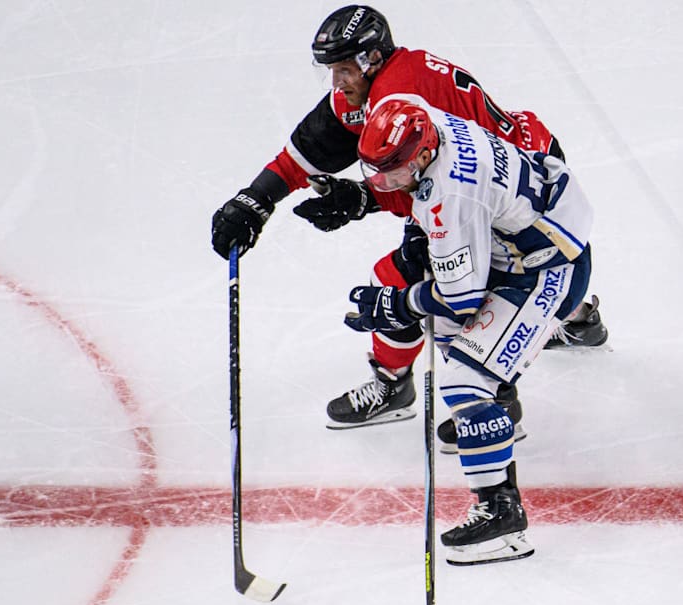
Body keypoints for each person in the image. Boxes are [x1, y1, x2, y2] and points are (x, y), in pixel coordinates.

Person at [210, 5, 607, 440]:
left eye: (343, 69)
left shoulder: (400, 101)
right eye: (331, 70)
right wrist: (255, 200)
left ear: (372, 59)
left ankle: (478, 396)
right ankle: (572, 318)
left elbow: (436, 190)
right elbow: (308, 150)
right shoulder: (376, 92)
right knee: (483, 276)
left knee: (413, 282)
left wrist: (363, 200)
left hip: (510, 187)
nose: (336, 83)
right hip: (506, 173)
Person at [346, 98, 594, 564]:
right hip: (519, 237)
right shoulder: (424, 118)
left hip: (546, 269)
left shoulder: (454, 194)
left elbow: (459, 297)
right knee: (451, 341)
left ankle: (502, 514)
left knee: (464, 378)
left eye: (391, 171)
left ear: (420, 155)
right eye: (374, 170)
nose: (383, 183)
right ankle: (501, 416)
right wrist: (418, 241)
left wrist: (397, 302)